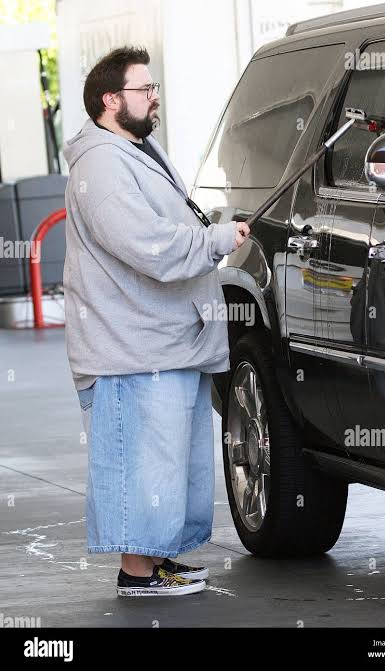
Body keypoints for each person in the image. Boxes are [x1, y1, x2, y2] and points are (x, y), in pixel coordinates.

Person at [62, 46, 250, 597]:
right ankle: (137, 574)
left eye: (153, 87)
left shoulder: (135, 150)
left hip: (164, 341)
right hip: (132, 348)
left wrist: (210, 234)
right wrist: (214, 240)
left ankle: (157, 562)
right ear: (110, 99)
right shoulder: (101, 164)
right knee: (142, 464)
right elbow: (146, 245)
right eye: (144, 89)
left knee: (168, 464)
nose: (154, 97)